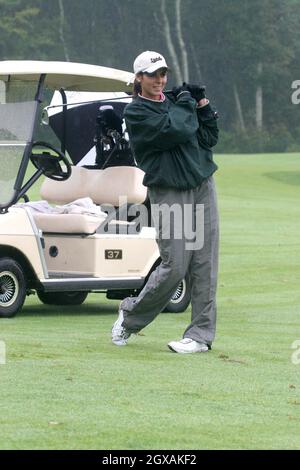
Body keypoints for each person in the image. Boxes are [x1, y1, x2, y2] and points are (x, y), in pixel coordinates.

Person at [111, 50, 219, 354]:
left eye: (163, 74)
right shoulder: (136, 113)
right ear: (139, 79)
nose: (160, 80)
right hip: (169, 190)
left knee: (205, 265)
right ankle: (130, 315)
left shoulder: (176, 102)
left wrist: (202, 104)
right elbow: (177, 129)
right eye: (153, 75)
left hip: (202, 185)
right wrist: (186, 102)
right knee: (175, 266)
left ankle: (200, 335)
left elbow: (208, 137)